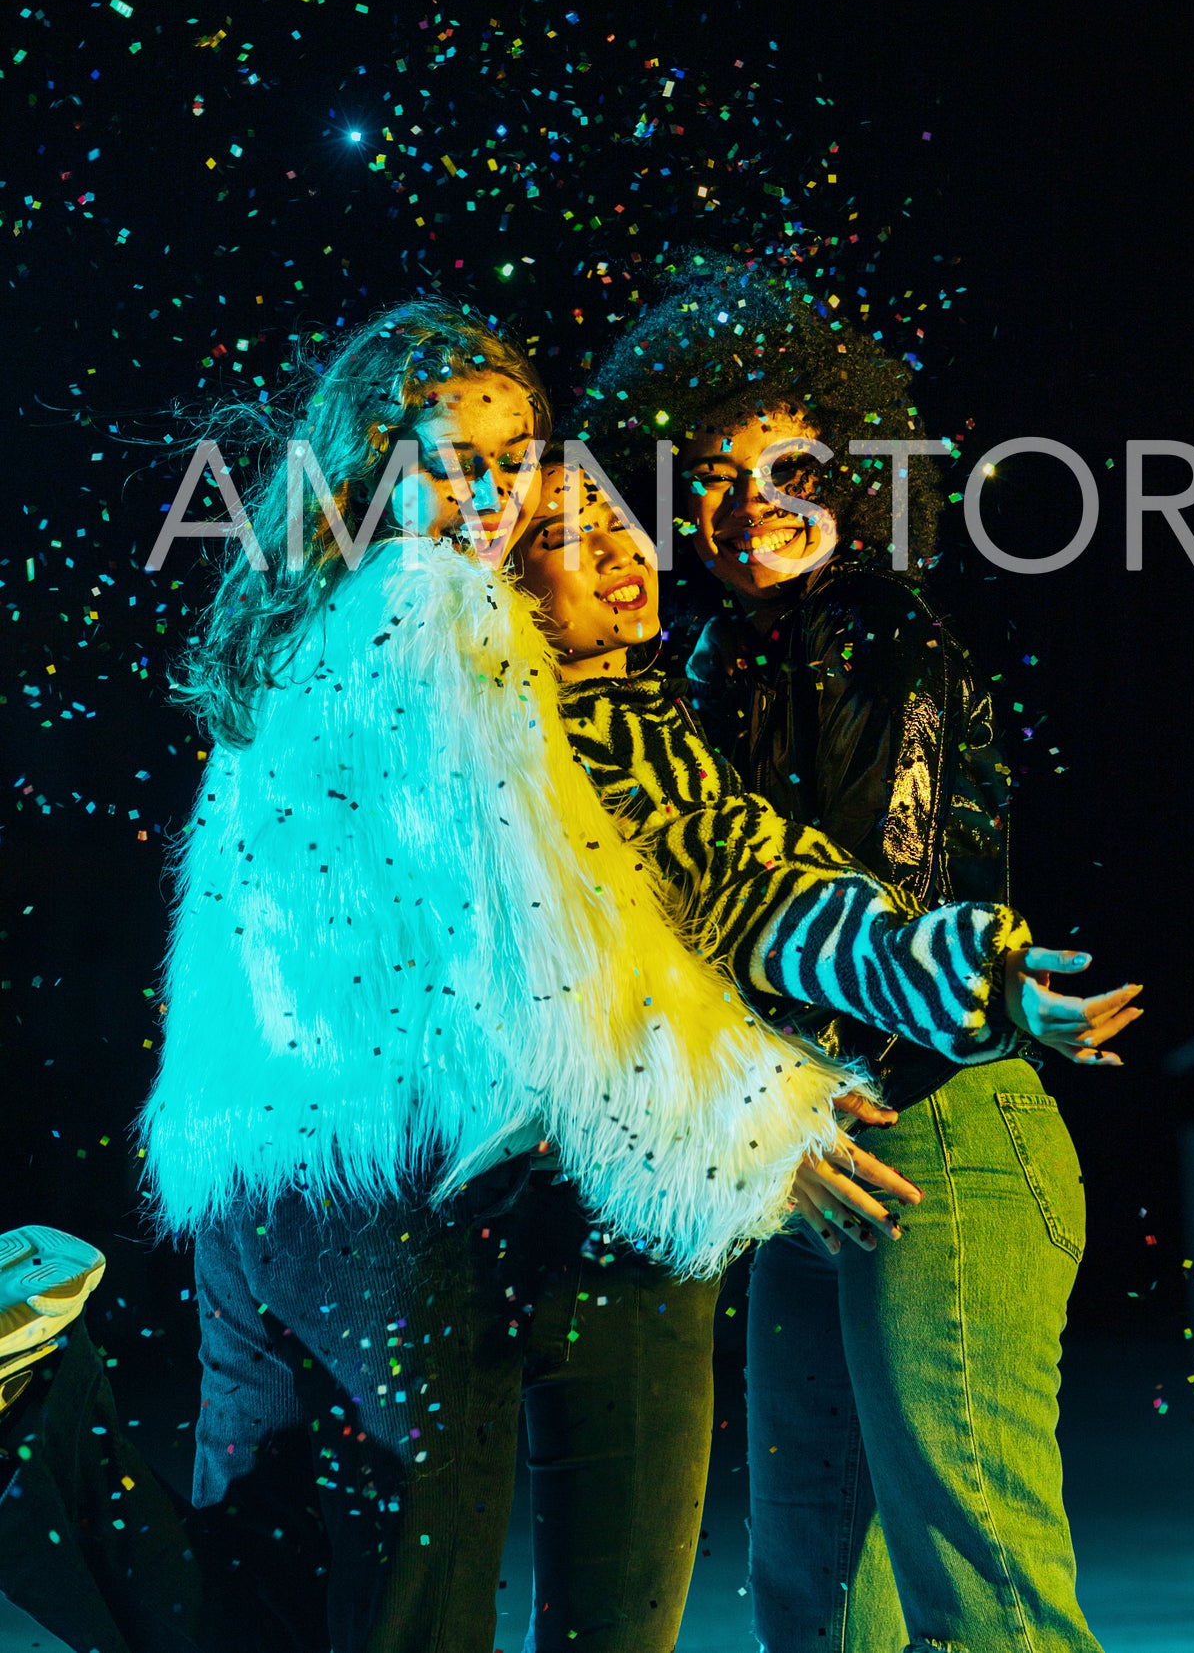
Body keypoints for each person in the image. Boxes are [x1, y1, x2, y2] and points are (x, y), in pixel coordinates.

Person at [20, 297, 865, 1653]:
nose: (489, 490)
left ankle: (47, 1437)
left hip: (260, 1168)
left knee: (278, 1584)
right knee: (404, 1612)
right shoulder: (436, 611)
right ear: (370, 459)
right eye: (447, 455)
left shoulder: (295, 613)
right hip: (383, 1186)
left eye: (517, 452)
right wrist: (755, 1112)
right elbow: (543, 931)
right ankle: (47, 1431)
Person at [591, 256, 1137, 1653]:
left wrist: (813, 1093)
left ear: (858, 471)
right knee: (815, 1598)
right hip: (811, 1147)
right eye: (706, 475)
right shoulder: (711, 664)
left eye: (785, 466)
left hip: (928, 1130)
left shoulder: (880, 640)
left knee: (980, 1593)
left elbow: (882, 912)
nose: (744, 509)